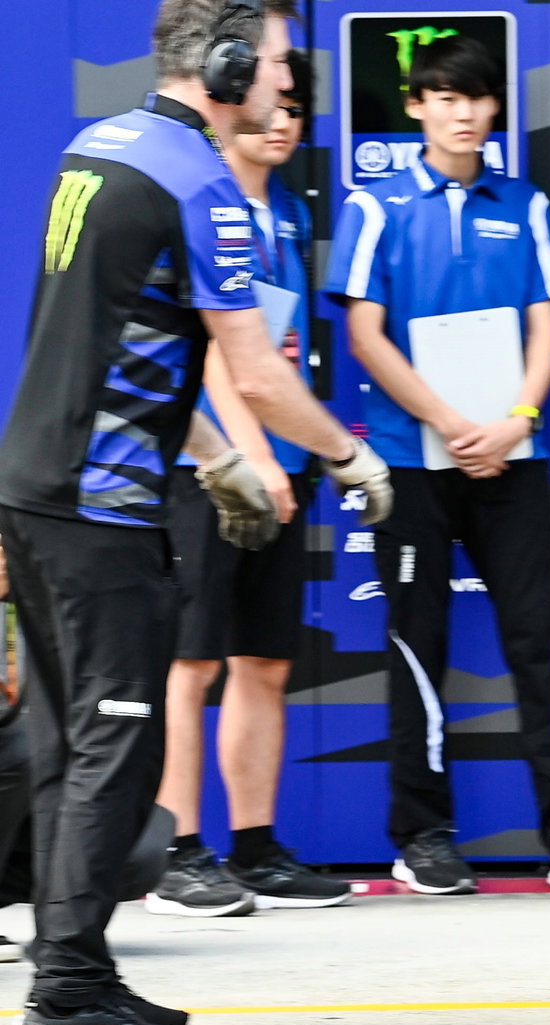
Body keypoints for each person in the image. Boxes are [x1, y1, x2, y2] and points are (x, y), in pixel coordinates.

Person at [0, 0, 391, 1025]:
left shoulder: (97, 145)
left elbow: (124, 329)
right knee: (116, 747)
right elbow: (259, 370)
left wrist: (215, 460)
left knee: (66, 743)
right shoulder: (205, 185)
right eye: (272, 63)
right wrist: (351, 457)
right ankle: (67, 998)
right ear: (223, 67)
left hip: (32, 490)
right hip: (103, 508)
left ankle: (71, 969)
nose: (284, 84)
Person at [324, 36, 550, 895]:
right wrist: (448, 422)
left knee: (539, 645)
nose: (458, 111)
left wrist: (512, 419)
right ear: (415, 105)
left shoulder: (523, 205)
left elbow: (547, 328)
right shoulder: (372, 209)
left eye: (474, 97)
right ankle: (425, 838)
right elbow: (364, 333)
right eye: (440, 96)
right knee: (419, 644)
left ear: (494, 109)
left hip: (512, 455)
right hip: (412, 460)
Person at [149, 48, 352, 918]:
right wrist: (252, 457)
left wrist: (295, 455)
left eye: (296, 108)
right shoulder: (205, 201)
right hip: (210, 470)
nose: (282, 120)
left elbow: (282, 355)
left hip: (283, 469)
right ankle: (177, 851)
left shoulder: (291, 213)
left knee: (263, 662)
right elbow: (219, 358)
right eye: (272, 103)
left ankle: (258, 847)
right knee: (190, 664)